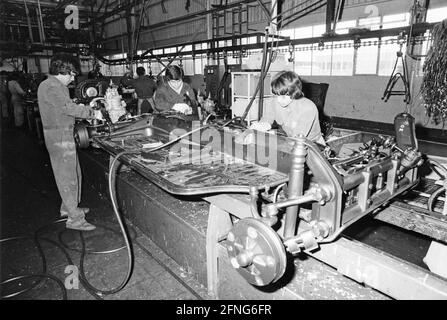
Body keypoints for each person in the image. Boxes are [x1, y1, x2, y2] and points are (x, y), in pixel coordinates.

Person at [37, 54, 103, 231]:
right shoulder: (51, 86)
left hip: (63, 133)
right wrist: (91, 112)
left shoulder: (56, 86)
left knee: (74, 172)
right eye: (72, 74)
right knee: (67, 176)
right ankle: (75, 219)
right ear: (62, 71)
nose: (73, 78)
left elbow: (64, 106)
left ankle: (68, 208)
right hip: (59, 136)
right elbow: (67, 108)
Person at [250, 70, 325, 145]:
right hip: (291, 140)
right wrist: (260, 127)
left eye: (283, 96)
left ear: (294, 92)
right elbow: (267, 119)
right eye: (277, 95)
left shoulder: (308, 108)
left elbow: (297, 139)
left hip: (312, 145)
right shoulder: (275, 101)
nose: (279, 100)